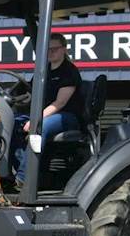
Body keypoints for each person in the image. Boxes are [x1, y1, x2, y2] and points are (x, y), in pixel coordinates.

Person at [12, 32, 86, 188]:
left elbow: (59, 103)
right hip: (46, 114)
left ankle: (25, 179)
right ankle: (17, 171)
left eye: (55, 49)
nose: (51, 52)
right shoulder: (42, 71)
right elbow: (30, 93)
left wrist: (35, 120)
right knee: (13, 124)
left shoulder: (69, 72)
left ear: (64, 49)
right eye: (48, 49)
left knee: (40, 127)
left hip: (67, 117)